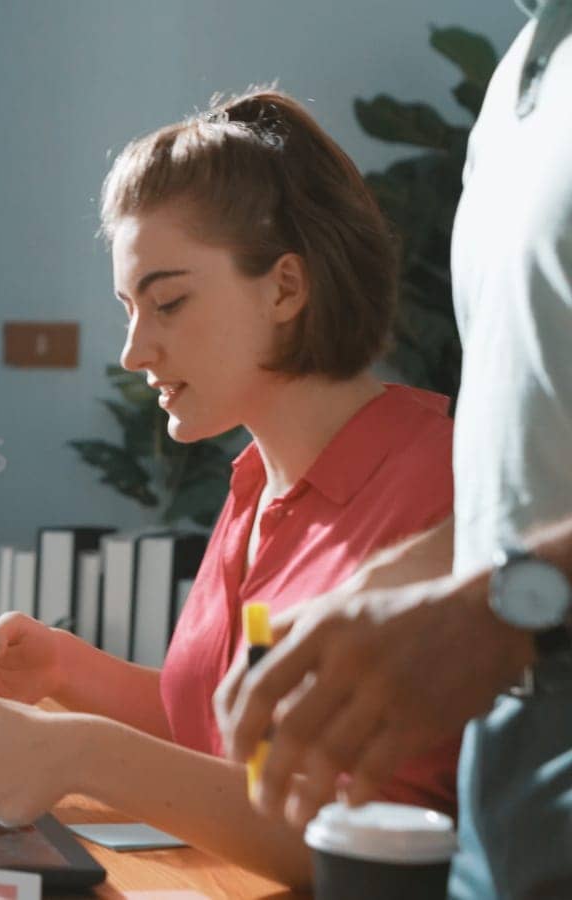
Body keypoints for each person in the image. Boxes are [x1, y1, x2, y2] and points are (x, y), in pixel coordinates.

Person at [0, 89, 463, 889]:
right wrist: (66, 671)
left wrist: (80, 749)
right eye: (129, 308)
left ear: (286, 289)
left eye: (169, 302)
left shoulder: (440, 491)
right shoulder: (259, 481)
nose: (133, 349)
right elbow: (226, 741)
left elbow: (349, 834)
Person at [215, 4, 572, 896]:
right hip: (512, 798)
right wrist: (386, 589)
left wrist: (502, 608)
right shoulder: (518, 80)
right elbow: (533, 476)